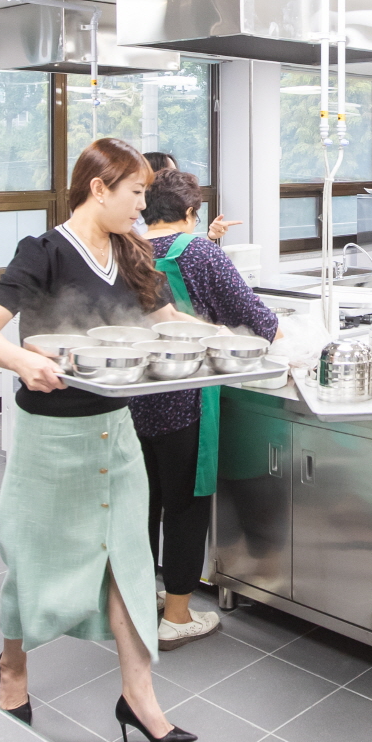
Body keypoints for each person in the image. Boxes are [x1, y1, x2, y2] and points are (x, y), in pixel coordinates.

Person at [0, 139, 197, 742]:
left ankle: (139, 698)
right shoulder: (42, 252)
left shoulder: (132, 253)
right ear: (99, 188)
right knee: (33, 557)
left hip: (116, 430)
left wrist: (240, 341)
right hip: (52, 435)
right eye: (136, 192)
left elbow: (171, 324)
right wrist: (22, 361)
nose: (142, 207)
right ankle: (13, 668)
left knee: (129, 560)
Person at [139, 169, 279, 647]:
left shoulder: (127, 249)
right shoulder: (198, 251)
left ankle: (142, 597)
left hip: (133, 395)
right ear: (189, 213)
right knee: (185, 506)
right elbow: (254, 317)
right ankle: (178, 616)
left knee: (142, 504)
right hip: (186, 398)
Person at [143, 151, 241, 243]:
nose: (176, 177)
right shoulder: (137, 215)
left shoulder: (177, 208)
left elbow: (187, 251)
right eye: (170, 172)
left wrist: (211, 238)